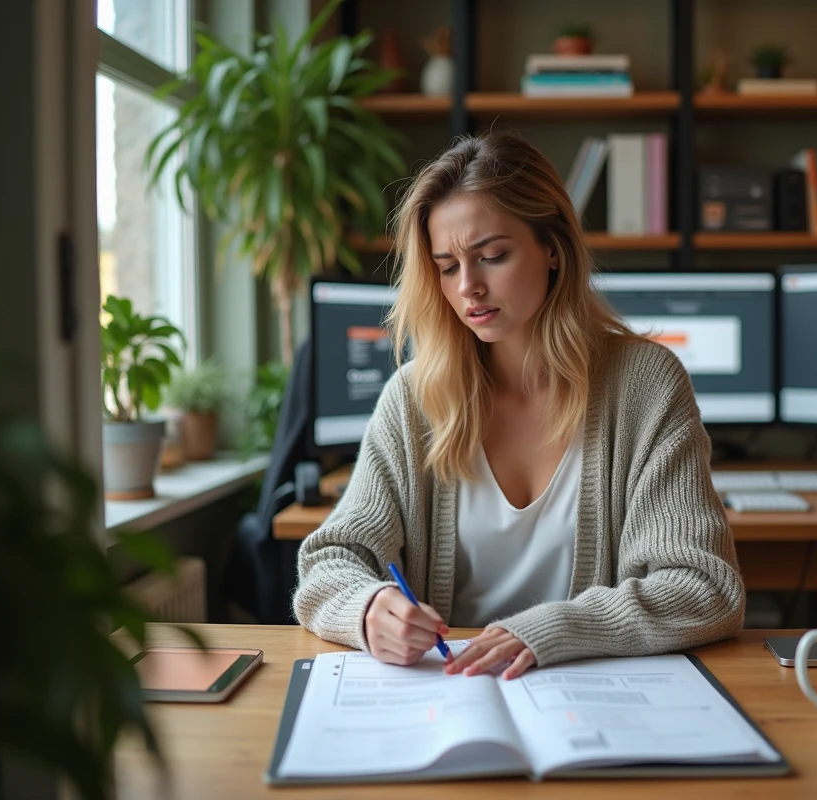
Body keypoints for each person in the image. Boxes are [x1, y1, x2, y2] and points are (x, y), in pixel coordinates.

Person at [293, 133, 745, 680]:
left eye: (492, 257)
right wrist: (367, 609)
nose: (469, 287)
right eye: (447, 266)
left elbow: (704, 586)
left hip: (591, 693)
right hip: (450, 692)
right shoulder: (415, 399)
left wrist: (554, 630)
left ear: (553, 247)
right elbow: (328, 562)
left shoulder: (644, 385)